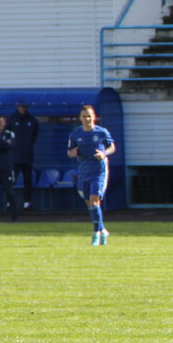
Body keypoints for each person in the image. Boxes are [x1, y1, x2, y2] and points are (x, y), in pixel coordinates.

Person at [66, 104, 116, 244]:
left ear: (94, 117)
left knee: (95, 200)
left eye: (89, 116)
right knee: (90, 204)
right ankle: (103, 230)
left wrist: (104, 153)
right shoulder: (75, 134)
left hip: (99, 171)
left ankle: (96, 234)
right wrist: (72, 153)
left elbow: (112, 147)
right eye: (84, 116)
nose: (87, 119)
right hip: (84, 171)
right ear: (80, 118)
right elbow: (69, 151)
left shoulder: (101, 132)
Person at [7, 101, 38, 210]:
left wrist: (28, 144)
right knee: (11, 180)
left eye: (24, 106)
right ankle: (9, 203)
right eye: (20, 106)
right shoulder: (11, 119)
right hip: (14, 157)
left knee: (28, 181)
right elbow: (7, 135)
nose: (22, 108)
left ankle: (27, 203)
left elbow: (34, 135)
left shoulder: (32, 120)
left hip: (27, 156)